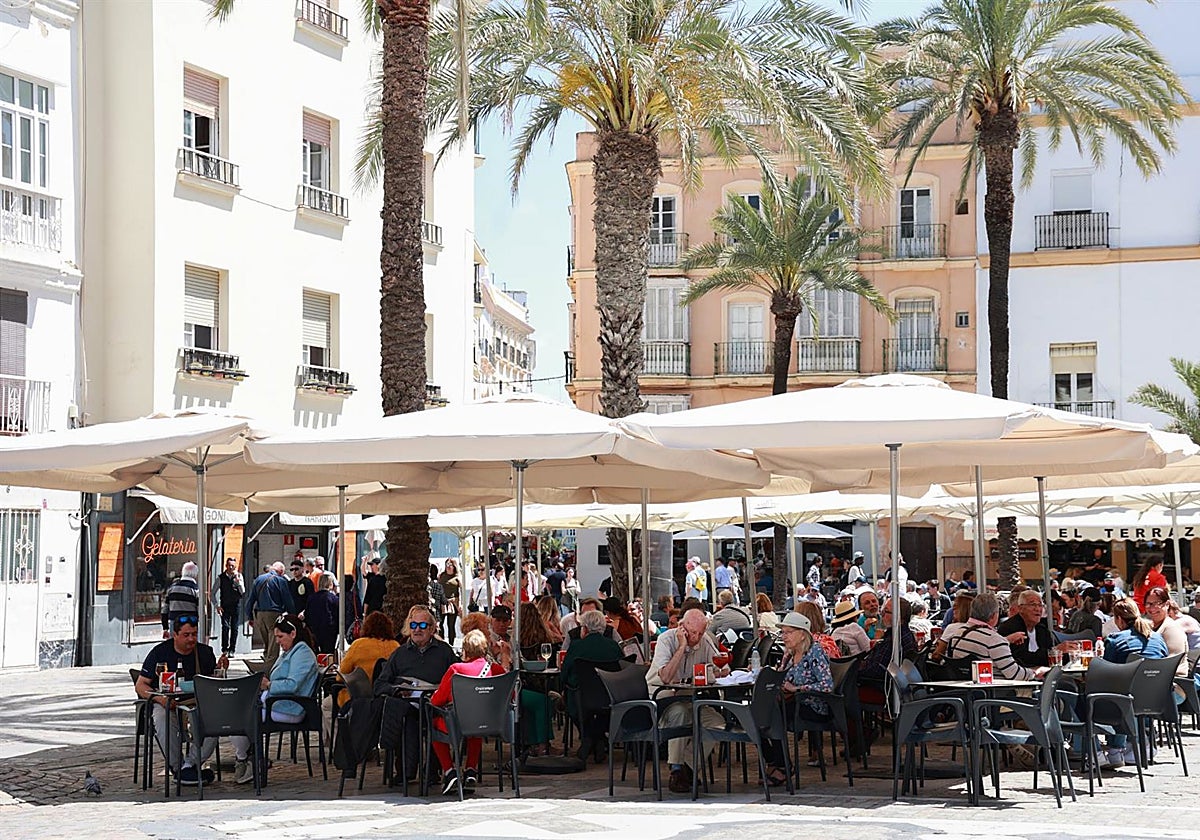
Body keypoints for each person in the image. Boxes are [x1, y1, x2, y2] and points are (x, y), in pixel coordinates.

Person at [134, 614, 228, 785]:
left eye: (194, 634)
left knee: (217, 717)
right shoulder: (160, 653)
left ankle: (190, 765)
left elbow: (213, 682)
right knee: (162, 717)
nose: (191, 639)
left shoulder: (204, 653)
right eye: (186, 635)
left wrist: (220, 670)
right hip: (167, 703)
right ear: (174, 635)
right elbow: (141, 685)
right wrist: (159, 698)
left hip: (197, 703)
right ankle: (177, 766)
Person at [228, 613, 320, 784]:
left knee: (240, 716)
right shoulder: (290, 651)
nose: (277, 641)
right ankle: (246, 756)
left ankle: (248, 759)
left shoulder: (302, 654)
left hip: (290, 707)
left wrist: (269, 686)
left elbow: (293, 685)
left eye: (280, 636)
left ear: (292, 633)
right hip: (277, 702)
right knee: (234, 712)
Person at [646, 608, 726, 793]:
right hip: (661, 699)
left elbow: (722, 667)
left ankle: (688, 766)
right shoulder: (666, 640)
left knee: (717, 723)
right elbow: (665, 677)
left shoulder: (704, 640)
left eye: (700, 633)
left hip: (689, 698)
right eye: (692, 633)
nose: (695, 637)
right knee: (680, 713)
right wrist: (682, 647)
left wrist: (717, 671)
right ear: (682, 627)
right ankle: (675, 769)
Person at [375, 605, 459, 781]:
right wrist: (397, 690)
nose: (417, 630)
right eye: (413, 626)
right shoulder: (399, 654)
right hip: (408, 706)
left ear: (431, 628)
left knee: (433, 718)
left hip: (437, 706)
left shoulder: (444, 652)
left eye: (422, 626)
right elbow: (380, 684)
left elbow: (458, 679)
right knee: (407, 718)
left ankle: (432, 770)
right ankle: (406, 770)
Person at [426, 629, 502, 794]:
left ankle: (449, 771)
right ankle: (470, 770)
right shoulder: (496, 670)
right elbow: (510, 695)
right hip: (487, 722)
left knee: (433, 727)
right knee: (476, 730)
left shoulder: (456, 669)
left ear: (465, 650)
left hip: (457, 724)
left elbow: (437, 700)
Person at [766, 611, 834, 780]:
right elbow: (783, 677)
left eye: (788, 632)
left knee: (773, 714)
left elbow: (827, 685)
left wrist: (797, 689)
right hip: (794, 703)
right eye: (783, 632)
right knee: (758, 713)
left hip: (813, 706)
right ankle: (774, 761)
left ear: (803, 635)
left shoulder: (814, 652)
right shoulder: (789, 654)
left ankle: (782, 765)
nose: (784, 636)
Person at [562, 609, 624, 760]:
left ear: (585, 628)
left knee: (570, 703)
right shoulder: (613, 647)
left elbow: (564, 674)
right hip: (610, 696)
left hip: (580, 698)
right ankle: (599, 738)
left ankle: (588, 737)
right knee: (604, 711)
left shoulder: (576, 646)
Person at [944, 592, 1036, 680]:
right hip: (996, 691)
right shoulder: (993, 639)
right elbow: (1014, 674)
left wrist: (1006, 640)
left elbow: (983, 646)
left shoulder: (958, 633)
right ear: (993, 616)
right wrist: (1035, 672)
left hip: (966, 689)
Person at [334, 611, 400, 707]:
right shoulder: (396, 646)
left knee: (327, 705)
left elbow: (341, 675)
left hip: (358, 698)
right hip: (387, 700)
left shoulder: (359, 644)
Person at [244, 561, 295, 667]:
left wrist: (250, 616)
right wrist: (292, 614)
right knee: (274, 641)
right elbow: (287, 599)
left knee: (266, 641)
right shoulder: (280, 580)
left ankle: (266, 659)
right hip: (274, 614)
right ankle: (269, 666)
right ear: (281, 571)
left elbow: (251, 600)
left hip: (259, 614)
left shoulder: (259, 579)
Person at [996, 590, 1054, 668]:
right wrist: (1053, 651)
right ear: (1020, 608)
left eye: (1040, 605)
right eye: (1033, 604)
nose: (1037, 609)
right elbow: (1023, 659)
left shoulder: (1042, 629)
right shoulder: (1010, 628)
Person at [1142, 586, 1190, 675]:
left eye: (1157, 603)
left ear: (1167, 604)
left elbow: (1173, 661)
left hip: (1174, 681)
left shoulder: (1172, 629)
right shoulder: (1150, 626)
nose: (1152, 608)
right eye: (1148, 604)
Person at [160, 561, 200, 639]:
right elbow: (201, 612)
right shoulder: (195, 590)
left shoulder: (172, 589)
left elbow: (164, 610)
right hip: (190, 626)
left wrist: (165, 628)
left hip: (174, 625)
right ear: (195, 575)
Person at [214, 557, 245, 655]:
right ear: (226, 566)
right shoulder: (221, 577)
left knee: (235, 628)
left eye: (233, 566)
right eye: (229, 565)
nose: (231, 568)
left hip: (236, 605)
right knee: (225, 627)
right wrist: (217, 606)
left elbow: (243, 592)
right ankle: (224, 649)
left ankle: (232, 649)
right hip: (225, 605)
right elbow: (212, 593)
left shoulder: (239, 576)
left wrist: (238, 582)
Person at [306, 573, 340, 655]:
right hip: (329, 629)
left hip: (315, 628)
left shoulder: (312, 598)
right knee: (328, 653)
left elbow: (307, 613)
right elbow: (337, 614)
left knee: (316, 652)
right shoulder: (333, 598)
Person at [437, 559, 462, 646]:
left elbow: (461, 591)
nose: (448, 566)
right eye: (447, 564)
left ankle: (451, 644)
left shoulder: (457, 577)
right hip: (442, 602)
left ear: (454, 566)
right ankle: (442, 643)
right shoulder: (441, 576)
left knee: (451, 625)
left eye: (450, 564)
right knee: (440, 624)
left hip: (453, 603)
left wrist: (460, 604)